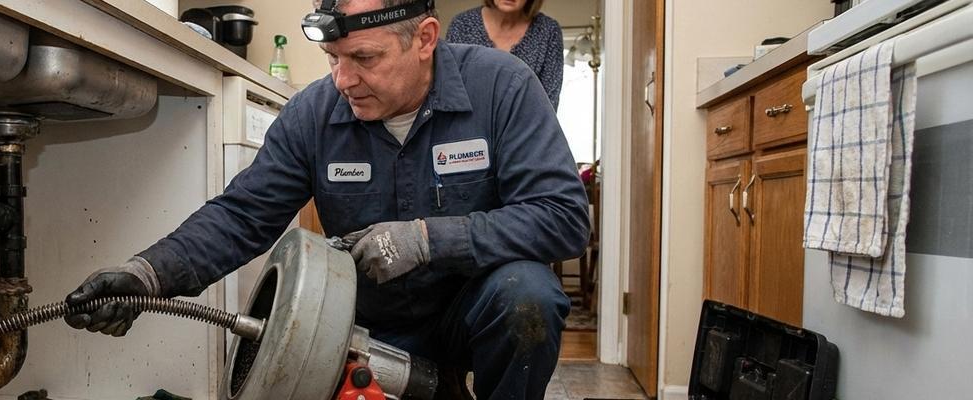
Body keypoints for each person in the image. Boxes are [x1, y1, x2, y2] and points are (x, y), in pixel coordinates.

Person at [62, 0, 589, 397]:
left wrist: (428, 239)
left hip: (476, 312)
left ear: (425, 38)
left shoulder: (502, 88)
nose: (343, 80)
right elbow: (241, 216)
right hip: (365, 329)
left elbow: (564, 218)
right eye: (333, 58)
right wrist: (147, 274)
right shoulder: (315, 114)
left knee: (528, 297)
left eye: (364, 58)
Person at [446, 0, 563, 109]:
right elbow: (450, 90)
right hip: (468, 127)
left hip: (526, 129)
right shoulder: (462, 26)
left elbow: (548, 103)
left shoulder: (549, 31)